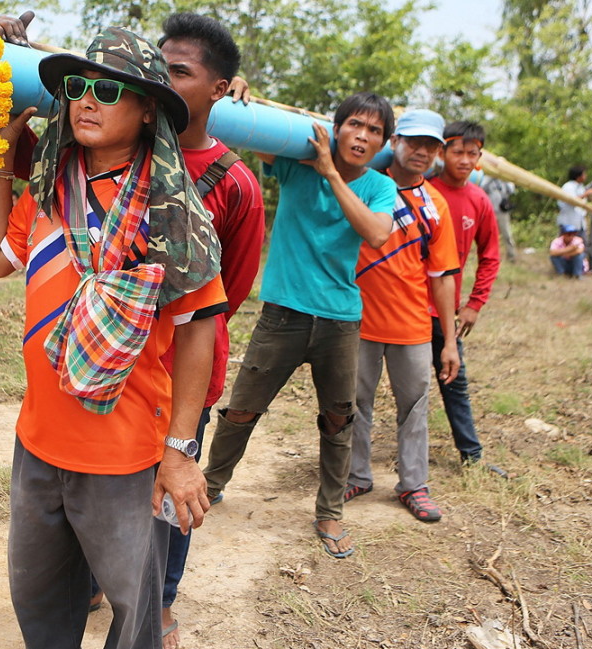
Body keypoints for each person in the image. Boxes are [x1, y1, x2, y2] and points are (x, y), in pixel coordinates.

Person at [0, 27, 228, 649]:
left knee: (135, 610)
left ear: (147, 110)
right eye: (77, 87)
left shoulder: (171, 211)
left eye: (109, 90)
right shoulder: (47, 189)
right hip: (37, 439)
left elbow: (200, 334)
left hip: (127, 453)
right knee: (38, 598)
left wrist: (179, 452)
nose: (87, 100)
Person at [202, 91, 397, 558]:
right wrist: (234, 90)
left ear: (382, 142)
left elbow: (374, 232)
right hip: (283, 313)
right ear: (336, 128)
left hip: (340, 320)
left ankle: (330, 512)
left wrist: (331, 173)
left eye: (374, 130)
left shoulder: (378, 187)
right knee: (243, 408)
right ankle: (210, 485)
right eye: (355, 124)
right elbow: (237, 129)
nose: (362, 136)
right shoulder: (295, 163)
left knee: (338, 418)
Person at [154, 13, 265, 648]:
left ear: (220, 88)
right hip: (116, 361)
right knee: (111, 479)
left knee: (174, 489)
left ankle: (163, 602)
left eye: (181, 72)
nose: (165, 83)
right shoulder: (126, 149)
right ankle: (98, 577)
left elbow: (234, 290)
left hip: (187, 370)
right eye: (159, 67)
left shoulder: (236, 183)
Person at [344, 109, 460, 523]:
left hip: (411, 325)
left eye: (431, 146)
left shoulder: (436, 206)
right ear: (394, 142)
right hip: (356, 319)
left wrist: (448, 341)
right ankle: (355, 473)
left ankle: (414, 485)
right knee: (353, 402)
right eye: (414, 142)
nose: (422, 152)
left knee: (414, 407)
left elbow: (442, 278)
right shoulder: (364, 184)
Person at [429, 121, 501, 464]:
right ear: (441, 152)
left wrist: (474, 303)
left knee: (454, 381)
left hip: (445, 312)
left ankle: (472, 456)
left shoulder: (479, 200)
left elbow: (490, 255)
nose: (464, 159)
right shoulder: (422, 189)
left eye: (472, 153)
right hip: (406, 306)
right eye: (457, 151)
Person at [481, 175, 517, 262]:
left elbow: (511, 190)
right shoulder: (487, 178)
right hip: (490, 211)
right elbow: (482, 187)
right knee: (490, 235)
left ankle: (511, 256)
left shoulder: (506, 180)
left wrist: (504, 179)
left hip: (502, 212)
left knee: (507, 234)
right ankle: (489, 256)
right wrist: (492, 177)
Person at [557, 165, 592, 235]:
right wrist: (585, 194)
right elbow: (572, 201)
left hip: (579, 223)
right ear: (579, 176)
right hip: (568, 222)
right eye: (584, 174)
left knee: (582, 244)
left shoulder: (581, 187)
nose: (586, 176)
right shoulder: (568, 187)